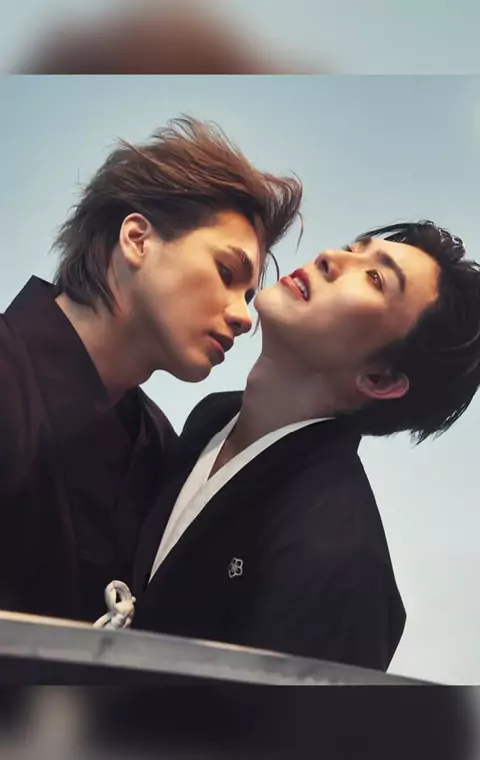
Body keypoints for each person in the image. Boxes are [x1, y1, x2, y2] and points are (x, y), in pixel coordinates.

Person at [109, 220, 480, 672]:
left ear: (380, 379)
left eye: (375, 278)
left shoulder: (341, 559)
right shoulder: (211, 419)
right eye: (352, 248)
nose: (330, 257)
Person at [0, 116, 302, 622]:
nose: (244, 316)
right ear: (137, 239)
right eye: (226, 273)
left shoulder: (161, 448)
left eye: (248, 296)